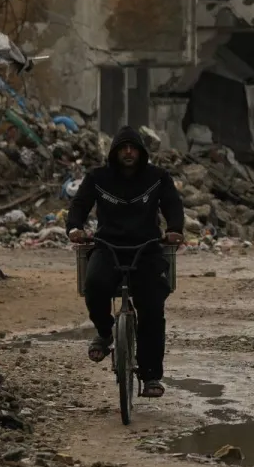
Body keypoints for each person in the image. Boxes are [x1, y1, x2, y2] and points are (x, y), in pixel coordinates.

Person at [67, 127, 185, 399]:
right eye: (123, 148)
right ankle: (105, 332)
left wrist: (175, 228)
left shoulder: (158, 178)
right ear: (115, 153)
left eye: (133, 148)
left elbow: (172, 206)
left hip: (147, 249)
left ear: (142, 152)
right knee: (94, 285)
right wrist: (74, 227)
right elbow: (79, 205)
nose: (128, 152)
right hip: (109, 246)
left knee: (152, 308)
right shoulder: (98, 178)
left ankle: (151, 375)